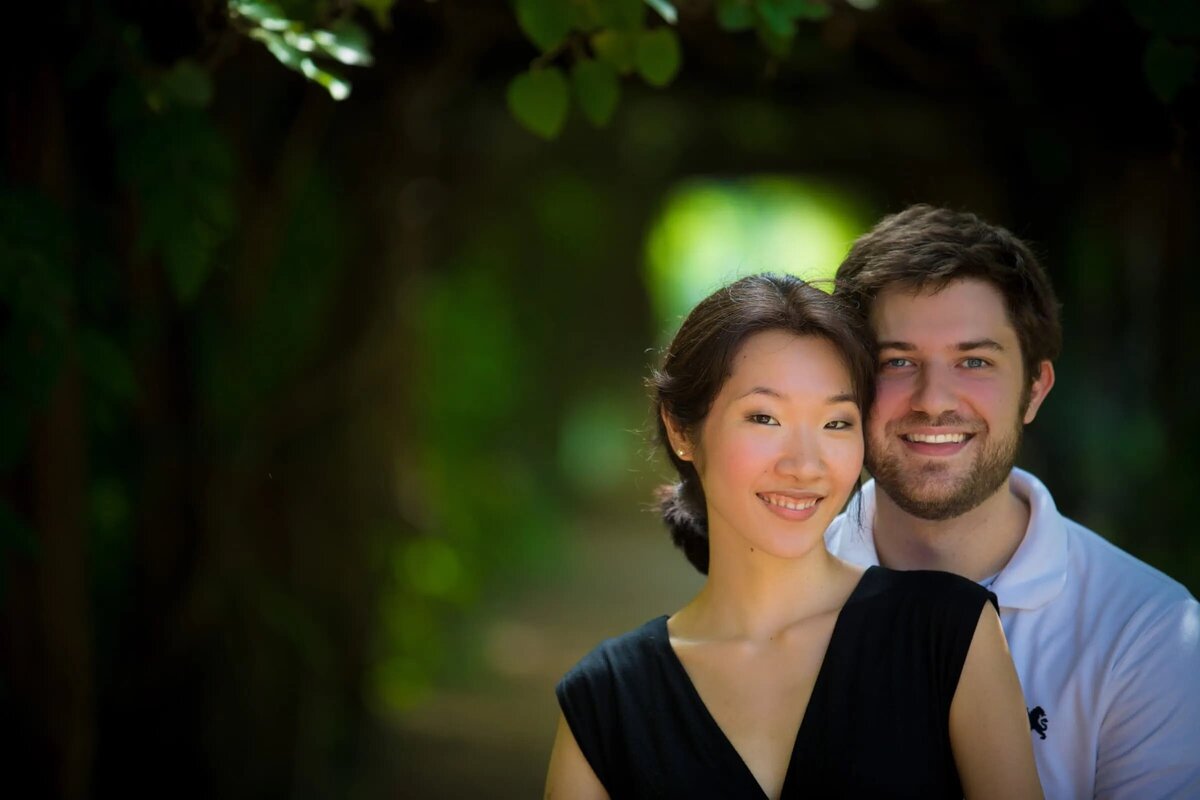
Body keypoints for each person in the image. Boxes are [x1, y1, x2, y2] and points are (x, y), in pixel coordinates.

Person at [544, 274, 1043, 799]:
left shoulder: (950, 635)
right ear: (681, 430)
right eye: (764, 417)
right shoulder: (607, 699)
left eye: (836, 423)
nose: (806, 465)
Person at [826, 204, 1200, 800]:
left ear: (1034, 390)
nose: (932, 400)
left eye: (974, 361)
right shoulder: (780, 582)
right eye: (897, 361)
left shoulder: (1147, 632)